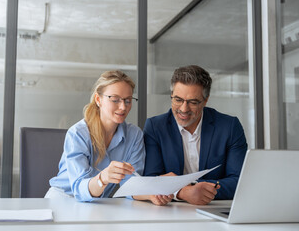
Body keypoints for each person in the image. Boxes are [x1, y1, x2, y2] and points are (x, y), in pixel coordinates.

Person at [46, 70, 172, 205]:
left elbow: (130, 184)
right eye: (115, 100)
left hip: (97, 205)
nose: (123, 107)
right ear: (98, 99)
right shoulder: (78, 133)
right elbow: (79, 189)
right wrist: (103, 178)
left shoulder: (134, 135)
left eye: (128, 101)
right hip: (62, 201)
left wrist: (151, 193)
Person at [143, 65, 247, 205]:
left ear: (205, 100)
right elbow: (150, 179)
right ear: (171, 95)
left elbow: (239, 181)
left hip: (215, 208)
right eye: (178, 100)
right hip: (170, 210)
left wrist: (193, 187)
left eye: (193, 102)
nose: (184, 109)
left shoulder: (229, 127)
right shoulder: (155, 127)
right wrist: (183, 193)